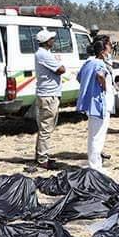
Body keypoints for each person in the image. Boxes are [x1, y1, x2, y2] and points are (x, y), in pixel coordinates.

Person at [77, 40, 115, 172]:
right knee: (98, 135)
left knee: (93, 134)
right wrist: (103, 87)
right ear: (102, 51)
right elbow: (100, 75)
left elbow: (79, 77)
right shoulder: (99, 64)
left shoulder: (88, 63)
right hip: (100, 102)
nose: (109, 51)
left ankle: (94, 163)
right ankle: (95, 166)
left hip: (92, 103)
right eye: (108, 48)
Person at [34, 30, 66, 169]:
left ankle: (41, 155)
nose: (54, 40)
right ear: (47, 41)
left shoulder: (42, 54)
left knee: (44, 127)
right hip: (49, 95)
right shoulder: (44, 55)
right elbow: (61, 69)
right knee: (46, 128)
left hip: (46, 94)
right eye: (52, 39)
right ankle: (43, 159)